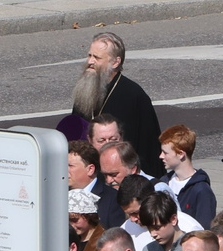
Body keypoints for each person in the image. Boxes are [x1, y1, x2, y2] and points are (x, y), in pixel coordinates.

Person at [59, 33, 163, 172]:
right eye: (90, 55)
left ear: (115, 62)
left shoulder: (133, 95)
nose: (90, 62)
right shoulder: (85, 89)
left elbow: (147, 147)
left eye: (97, 57)